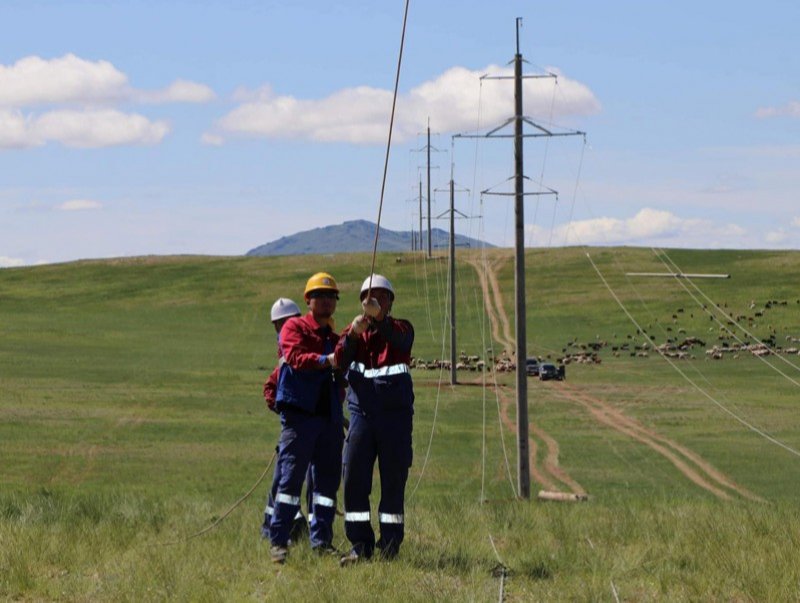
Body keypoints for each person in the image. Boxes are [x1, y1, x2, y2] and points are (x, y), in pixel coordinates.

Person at [334, 274, 415, 565]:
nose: (375, 300)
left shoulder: (402, 328)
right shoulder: (353, 332)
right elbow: (339, 362)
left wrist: (379, 318)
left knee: (393, 481)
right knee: (354, 478)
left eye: (381, 296)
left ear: (390, 302)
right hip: (361, 417)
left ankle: (390, 547)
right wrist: (353, 335)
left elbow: (399, 337)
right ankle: (360, 545)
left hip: (395, 419)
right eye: (369, 296)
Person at [269, 272, 344, 564]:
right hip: (301, 418)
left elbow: (344, 369)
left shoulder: (336, 340)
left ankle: (321, 542)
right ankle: (279, 542)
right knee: (289, 482)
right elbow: (298, 359)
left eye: (331, 297)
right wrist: (327, 361)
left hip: (329, 419)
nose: (326, 302)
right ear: (308, 300)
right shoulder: (294, 328)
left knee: (325, 486)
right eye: (320, 297)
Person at [261, 297, 312, 542]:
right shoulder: (284, 357)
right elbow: (270, 388)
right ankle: (273, 529)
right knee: (283, 480)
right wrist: (284, 410)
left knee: (313, 482)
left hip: (316, 426)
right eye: (278, 325)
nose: (282, 329)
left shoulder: (309, 344)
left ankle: (311, 532)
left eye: (286, 322)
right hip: (294, 427)